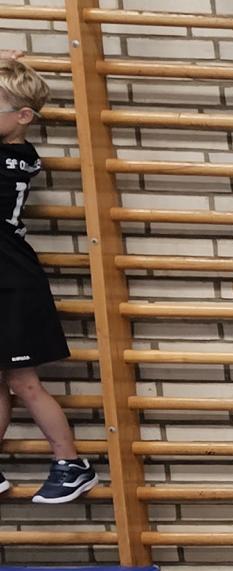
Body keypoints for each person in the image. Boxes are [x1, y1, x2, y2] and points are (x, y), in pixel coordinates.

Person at [0, 53, 90, 504]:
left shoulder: (14, 157)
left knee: (24, 382)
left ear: (23, 116)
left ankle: (71, 463)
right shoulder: (14, 151)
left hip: (13, 283)